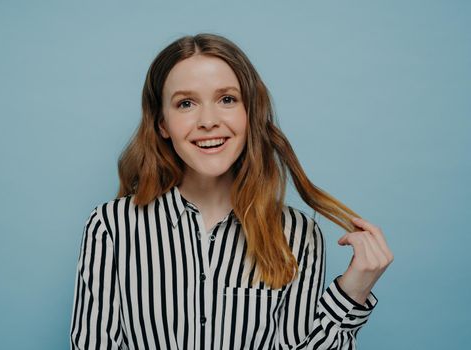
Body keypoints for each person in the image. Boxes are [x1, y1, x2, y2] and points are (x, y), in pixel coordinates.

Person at [70, 33, 393, 349]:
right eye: (185, 103)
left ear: (250, 112)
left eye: (227, 99)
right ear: (162, 123)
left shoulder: (298, 235)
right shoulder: (112, 226)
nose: (208, 120)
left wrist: (354, 291)